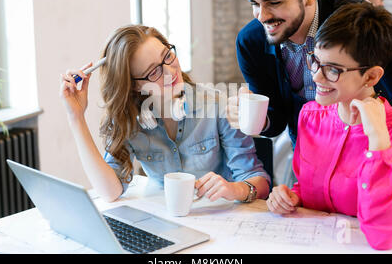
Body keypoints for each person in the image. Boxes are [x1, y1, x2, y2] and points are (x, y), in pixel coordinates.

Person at [267, 3, 392, 250]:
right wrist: (292, 197)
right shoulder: (310, 116)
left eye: (333, 70)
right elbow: (308, 188)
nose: (316, 76)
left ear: (371, 77)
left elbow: (384, 237)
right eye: (315, 61)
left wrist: (378, 141)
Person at [60, 25, 270, 203]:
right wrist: (76, 117)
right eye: (154, 72)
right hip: (166, 218)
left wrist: (236, 189)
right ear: (134, 86)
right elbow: (109, 192)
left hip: (218, 216)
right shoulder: (130, 120)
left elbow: (258, 181)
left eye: (167, 56)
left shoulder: (217, 105)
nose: (171, 71)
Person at [228, 0, 392, 148]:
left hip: (373, 147)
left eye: (274, 2)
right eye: (254, 3)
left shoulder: (362, 22)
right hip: (308, 154)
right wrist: (252, 115)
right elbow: (276, 119)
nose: (262, 16)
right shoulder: (250, 41)